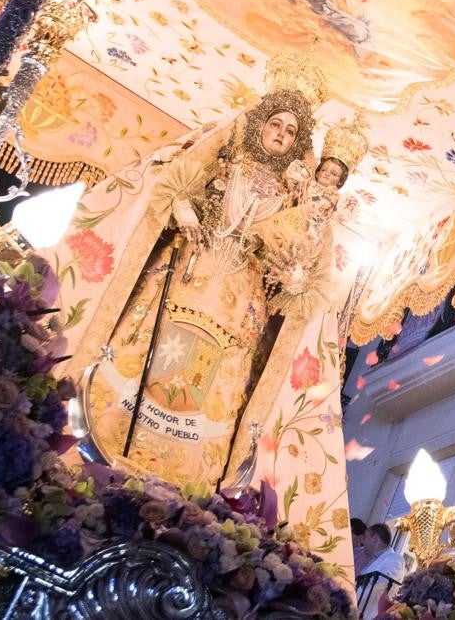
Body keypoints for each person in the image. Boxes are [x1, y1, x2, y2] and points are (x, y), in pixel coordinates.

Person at [54, 52, 342, 489]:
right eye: (275, 124)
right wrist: (183, 205)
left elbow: (298, 257)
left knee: (217, 372)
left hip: (240, 300)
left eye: (291, 131)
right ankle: (110, 432)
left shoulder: (295, 196)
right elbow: (172, 183)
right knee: (150, 345)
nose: (281, 135)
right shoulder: (225, 157)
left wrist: (294, 273)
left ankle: (189, 465)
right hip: (189, 271)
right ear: (260, 123)